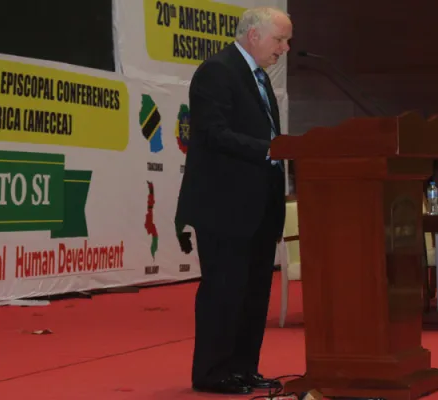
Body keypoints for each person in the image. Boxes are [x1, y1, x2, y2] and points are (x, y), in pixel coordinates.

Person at [175, 6, 292, 396]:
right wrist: (270, 150)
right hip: (223, 206)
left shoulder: (257, 78)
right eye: (280, 39)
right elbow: (213, 133)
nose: (285, 48)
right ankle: (212, 373)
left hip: (258, 206)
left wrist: (274, 151)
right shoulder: (217, 71)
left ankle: (244, 368)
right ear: (254, 35)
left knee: (255, 292)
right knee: (224, 291)